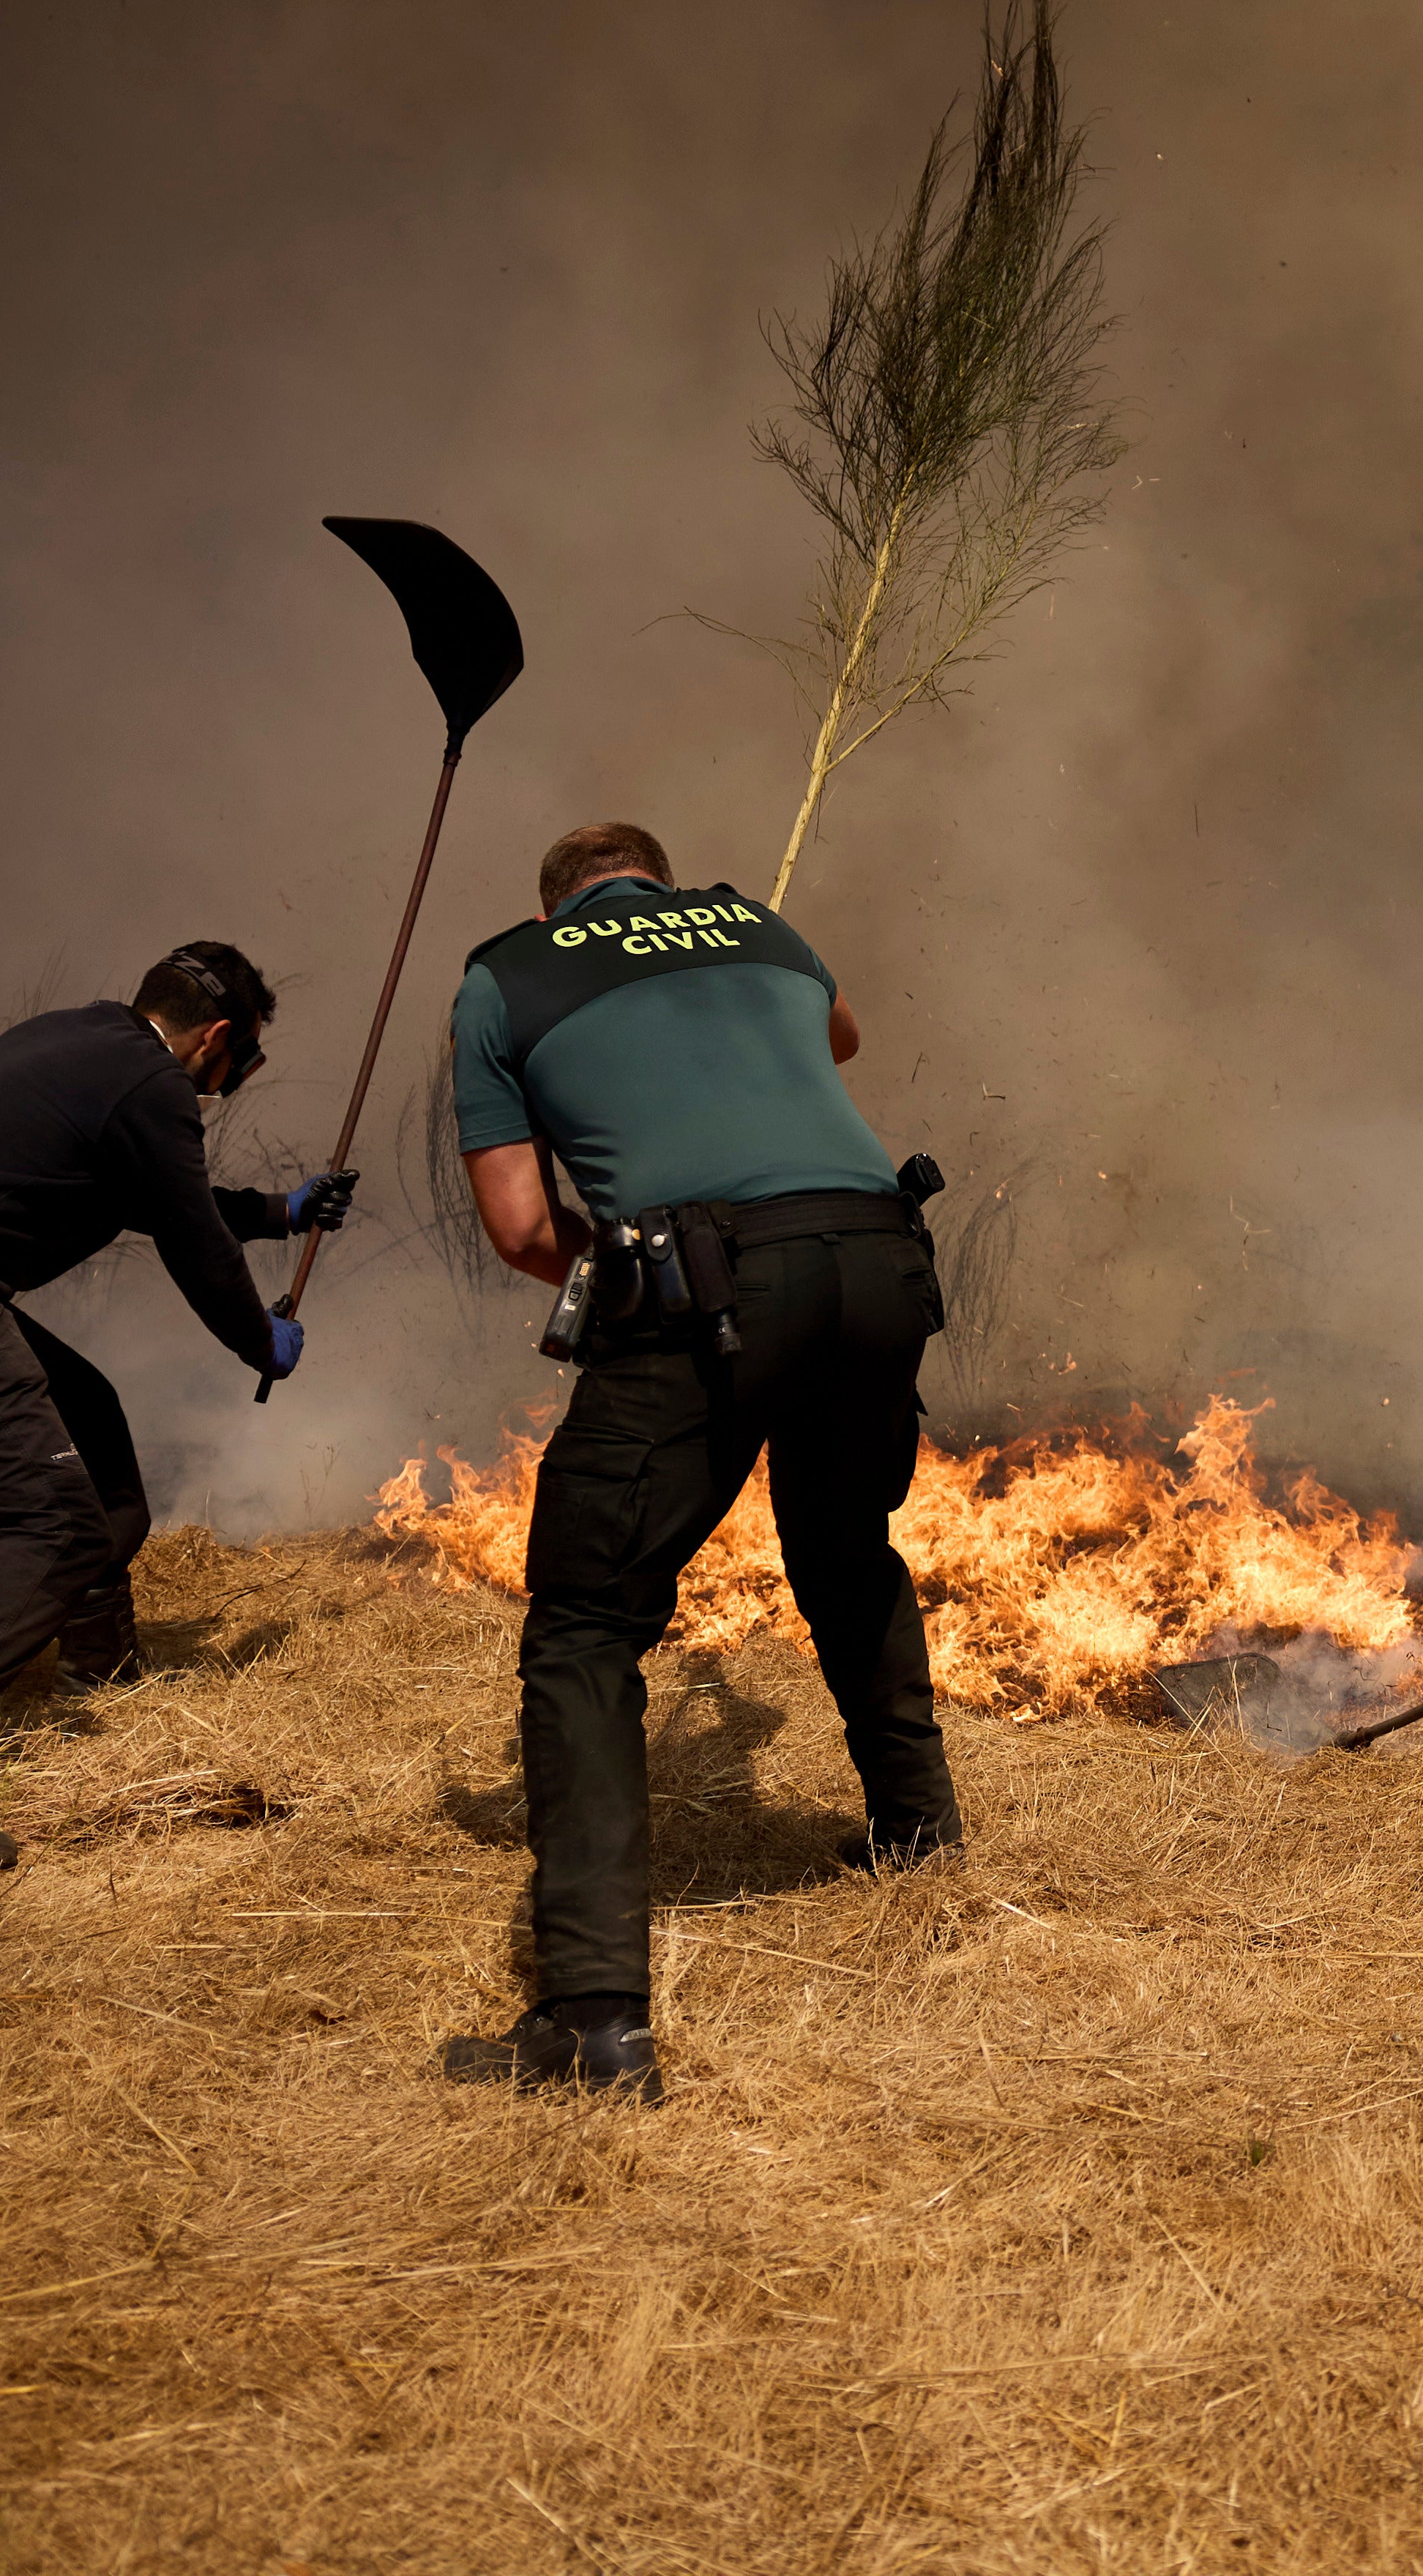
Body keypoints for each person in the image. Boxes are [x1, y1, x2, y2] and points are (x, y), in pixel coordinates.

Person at [436, 822, 950, 2105]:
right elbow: (837, 1041)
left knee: (587, 1624)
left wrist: (626, 1283)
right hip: (882, 1256)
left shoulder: (506, 976)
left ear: (560, 901)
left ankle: (595, 2025)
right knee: (842, 1543)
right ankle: (920, 1837)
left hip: (714, 1277)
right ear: (658, 882)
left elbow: (514, 1226)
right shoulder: (760, 925)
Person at [0, 943, 351, 1869]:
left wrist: (278, 1214)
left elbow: (151, 1195)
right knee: (51, 1525)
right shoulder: (152, 1086)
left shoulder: (80, 1039)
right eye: (236, 1070)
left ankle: (101, 1669)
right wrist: (259, 1339)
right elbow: (189, 1241)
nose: (221, 1089)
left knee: (87, 1417)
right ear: (215, 1039)